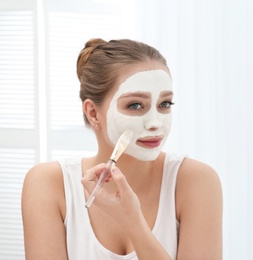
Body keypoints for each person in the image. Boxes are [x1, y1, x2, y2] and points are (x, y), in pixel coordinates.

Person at [21, 38, 223, 259]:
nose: (155, 122)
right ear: (93, 113)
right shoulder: (48, 184)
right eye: (135, 105)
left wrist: (133, 223)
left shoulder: (196, 181)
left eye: (164, 104)